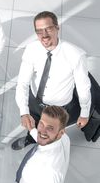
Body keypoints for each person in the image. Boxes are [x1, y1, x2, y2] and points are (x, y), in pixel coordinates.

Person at [12, 11, 92, 150]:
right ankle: (30, 139)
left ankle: (49, 147)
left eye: (48, 28)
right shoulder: (31, 49)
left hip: (59, 110)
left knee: (52, 134)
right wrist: (24, 112)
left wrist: (84, 114)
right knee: (34, 124)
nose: (44, 35)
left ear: (57, 27)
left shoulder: (76, 55)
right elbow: (23, 83)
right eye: (39, 31)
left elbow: (83, 87)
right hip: (36, 102)